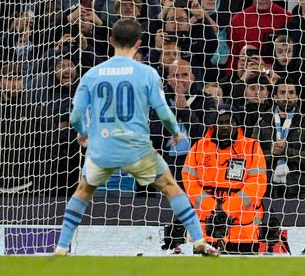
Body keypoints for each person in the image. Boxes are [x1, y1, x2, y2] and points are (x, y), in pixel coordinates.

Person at [53, 19, 218, 257]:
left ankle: (61, 247)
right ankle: (199, 241)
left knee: (82, 192)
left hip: (102, 149)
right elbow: (164, 111)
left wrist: (82, 132)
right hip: (137, 150)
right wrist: (176, 132)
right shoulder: (147, 73)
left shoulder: (92, 74)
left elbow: (76, 114)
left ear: (111, 41)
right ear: (139, 43)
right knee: (172, 188)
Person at [182, 105, 267, 254]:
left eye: (229, 122)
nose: (224, 126)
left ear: (237, 125)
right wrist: (213, 208)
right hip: (206, 228)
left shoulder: (252, 147)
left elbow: (257, 184)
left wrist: (228, 210)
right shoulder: (199, 147)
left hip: (243, 230)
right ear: (214, 125)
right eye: (220, 122)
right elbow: (190, 183)